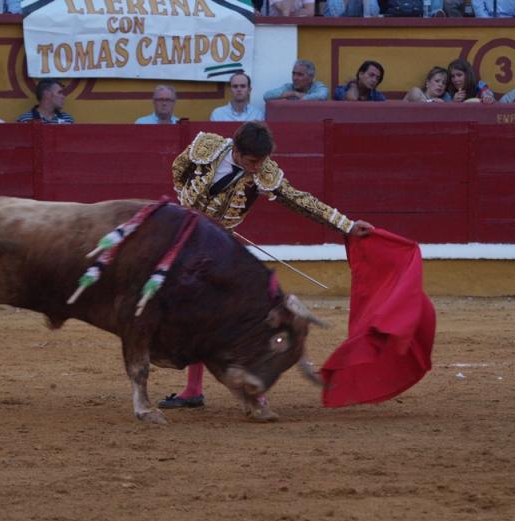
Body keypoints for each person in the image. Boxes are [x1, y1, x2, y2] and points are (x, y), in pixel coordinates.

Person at [159, 121, 374, 410]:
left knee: (239, 316)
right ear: (235, 151)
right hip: (187, 240)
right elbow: (178, 168)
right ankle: (193, 389)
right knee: (192, 314)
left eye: (262, 161)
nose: (258, 168)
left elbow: (301, 201)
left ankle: (254, 389)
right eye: (252, 161)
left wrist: (346, 225)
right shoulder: (206, 147)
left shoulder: (265, 172)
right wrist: (184, 201)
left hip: (223, 247)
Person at [263, 60, 329, 102]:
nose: (295, 78)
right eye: (293, 73)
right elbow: (267, 96)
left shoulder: (317, 86)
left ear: (311, 77)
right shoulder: (289, 87)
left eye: (300, 75)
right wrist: (294, 93)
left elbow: (321, 96)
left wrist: (299, 98)